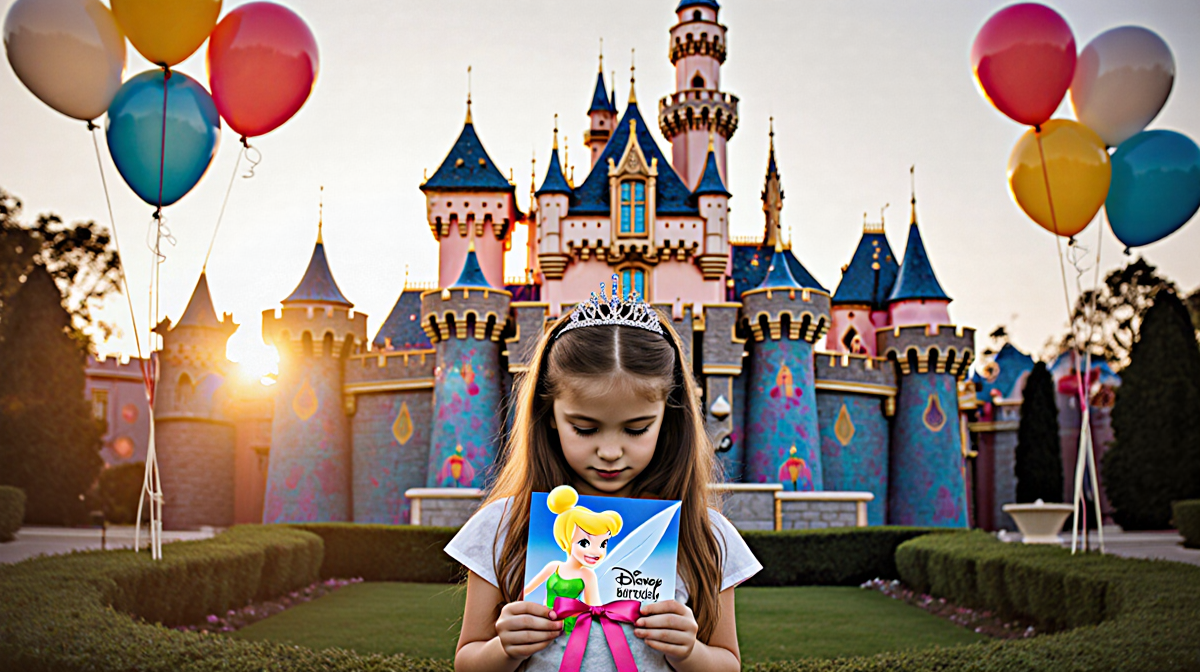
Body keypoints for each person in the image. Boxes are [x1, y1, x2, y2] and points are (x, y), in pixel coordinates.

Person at [445, 276, 762, 672]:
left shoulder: (705, 535)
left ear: (669, 418)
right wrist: (504, 647)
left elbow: (728, 664)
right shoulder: (502, 526)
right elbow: (467, 663)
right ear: (549, 417)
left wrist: (691, 652)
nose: (610, 452)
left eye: (636, 429)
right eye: (585, 428)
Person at [522, 485, 622, 636]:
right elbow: (526, 589)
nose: (596, 551)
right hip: (545, 621)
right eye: (584, 543)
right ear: (566, 539)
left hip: (572, 625)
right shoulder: (554, 567)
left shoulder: (587, 575)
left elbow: (594, 606)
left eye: (603, 544)